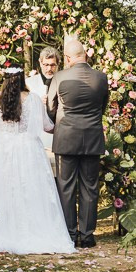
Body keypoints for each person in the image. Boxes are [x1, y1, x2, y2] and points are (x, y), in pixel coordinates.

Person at [0, 67, 75, 254]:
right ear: (22, 78)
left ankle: (5, 229)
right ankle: (30, 229)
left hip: (1, 150)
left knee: (4, 191)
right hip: (28, 151)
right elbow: (46, 126)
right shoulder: (33, 99)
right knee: (30, 190)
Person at [47, 38, 109, 249]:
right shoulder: (101, 78)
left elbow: (50, 107)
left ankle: (70, 235)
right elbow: (103, 107)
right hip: (92, 137)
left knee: (66, 187)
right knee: (90, 187)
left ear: (67, 58)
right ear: (85, 55)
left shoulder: (59, 77)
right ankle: (88, 236)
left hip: (66, 137)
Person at [26, 46, 60, 176]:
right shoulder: (29, 83)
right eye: (45, 64)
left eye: (52, 65)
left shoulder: (63, 81)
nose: (49, 69)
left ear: (57, 65)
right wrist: (36, 103)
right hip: (37, 136)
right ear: (40, 63)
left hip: (58, 135)